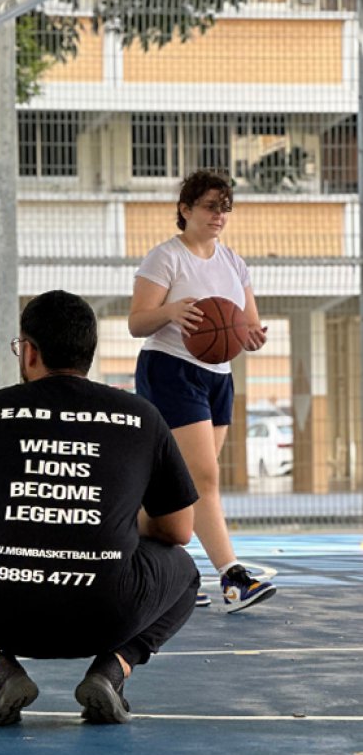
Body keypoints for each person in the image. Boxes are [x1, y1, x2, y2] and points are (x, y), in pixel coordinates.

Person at [0, 290, 200, 726]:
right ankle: (112, 669)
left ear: (28, 352)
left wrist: (14, 531)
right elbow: (179, 531)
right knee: (186, 574)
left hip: (0, 607)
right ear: (89, 354)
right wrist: (107, 522)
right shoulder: (141, 416)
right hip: (108, 612)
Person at [128, 169, 275, 612]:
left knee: (184, 484)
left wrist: (252, 336)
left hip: (218, 375)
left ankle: (143, 561)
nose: (219, 215)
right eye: (211, 206)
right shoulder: (165, 259)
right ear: (185, 208)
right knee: (204, 479)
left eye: (225, 207)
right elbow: (137, 323)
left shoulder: (233, 262)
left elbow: (246, 325)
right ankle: (233, 578)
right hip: (171, 369)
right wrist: (170, 310)